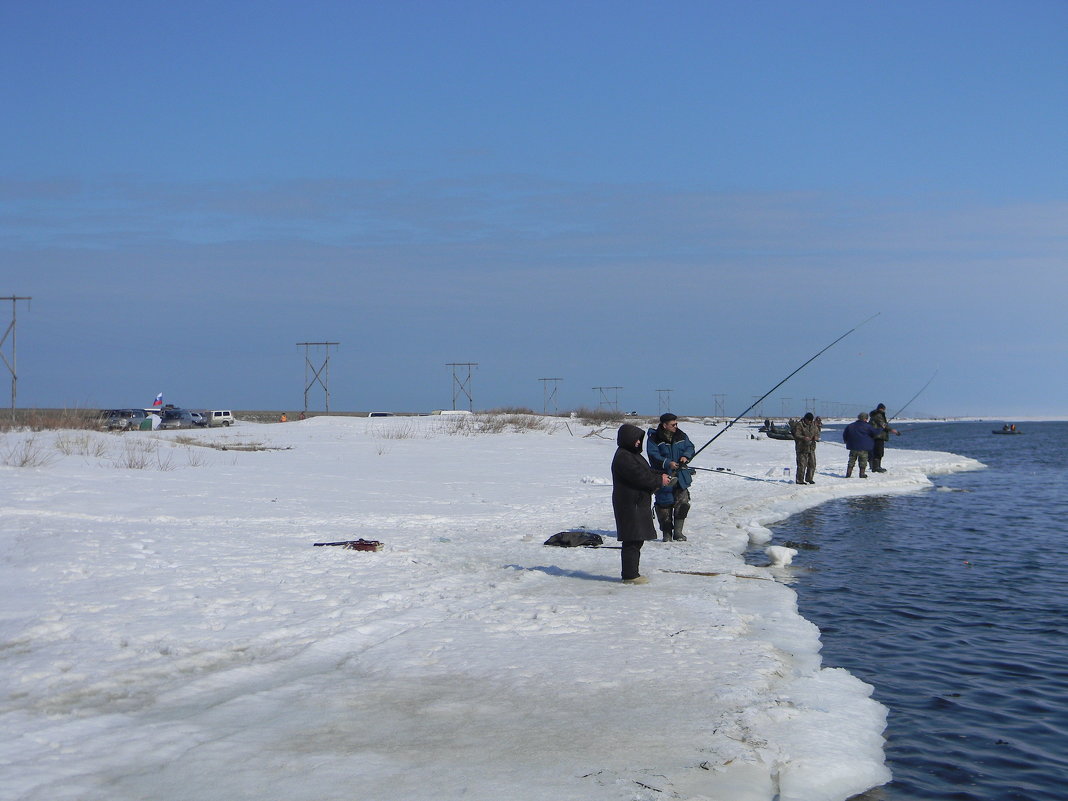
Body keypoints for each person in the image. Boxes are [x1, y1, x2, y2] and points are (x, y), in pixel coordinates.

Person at [612, 423, 671, 584]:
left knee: (637, 539)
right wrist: (660, 480)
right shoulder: (623, 457)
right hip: (629, 504)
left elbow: (647, 471)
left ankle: (632, 573)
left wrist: (663, 474)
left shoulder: (632, 455)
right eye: (636, 439)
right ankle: (630, 576)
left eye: (640, 439)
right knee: (632, 539)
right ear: (627, 439)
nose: (638, 442)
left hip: (636, 503)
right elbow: (640, 477)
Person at [646, 413, 696, 542]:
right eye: (673, 424)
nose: (676, 426)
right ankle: (666, 534)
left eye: (676, 424)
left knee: (683, 503)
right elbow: (653, 455)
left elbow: (690, 447)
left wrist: (686, 456)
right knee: (664, 505)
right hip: (662, 476)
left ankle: (678, 533)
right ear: (664, 425)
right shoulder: (654, 438)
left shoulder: (681, 435)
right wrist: (668, 463)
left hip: (681, 476)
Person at [842, 412, 881, 478]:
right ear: (865, 419)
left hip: (853, 447)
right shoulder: (868, 426)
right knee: (863, 461)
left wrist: (846, 441)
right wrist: (881, 428)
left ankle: (848, 473)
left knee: (851, 461)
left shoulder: (850, 426)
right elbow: (875, 433)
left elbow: (845, 435)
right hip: (863, 448)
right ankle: (862, 474)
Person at [868, 403, 900, 472]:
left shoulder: (874, 415)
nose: (884, 411)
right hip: (878, 436)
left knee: (876, 452)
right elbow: (883, 425)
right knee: (878, 452)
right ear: (881, 409)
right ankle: (876, 467)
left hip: (874, 436)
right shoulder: (878, 415)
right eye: (883, 409)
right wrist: (893, 431)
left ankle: (875, 466)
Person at [792, 412, 820, 484]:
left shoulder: (813, 425)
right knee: (802, 465)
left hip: (811, 448)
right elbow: (796, 434)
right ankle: (799, 480)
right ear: (805, 419)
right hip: (802, 448)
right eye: (809, 420)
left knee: (812, 464)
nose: (810, 422)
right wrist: (804, 438)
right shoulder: (799, 425)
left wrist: (816, 437)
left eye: (811, 421)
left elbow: (817, 432)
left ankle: (809, 478)